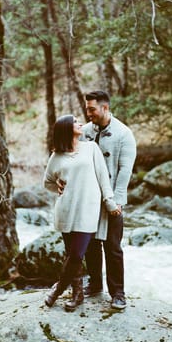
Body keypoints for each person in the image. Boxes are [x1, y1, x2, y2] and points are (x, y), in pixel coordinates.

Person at [43, 115, 120, 311]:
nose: (80, 123)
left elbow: (103, 177)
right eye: (75, 121)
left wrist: (109, 202)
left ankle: (58, 290)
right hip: (66, 209)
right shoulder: (56, 156)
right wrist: (57, 185)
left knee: (77, 254)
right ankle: (77, 295)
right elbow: (47, 182)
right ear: (66, 129)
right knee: (71, 254)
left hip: (88, 209)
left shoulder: (91, 148)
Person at [80, 90, 136, 310]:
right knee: (91, 245)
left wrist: (118, 201)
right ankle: (94, 285)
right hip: (88, 199)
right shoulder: (84, 132)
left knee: (113, 247)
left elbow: (125, 170)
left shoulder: (124, 134)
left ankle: (118, 293)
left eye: (92, 108)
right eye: (87, 108)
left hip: (112, 200)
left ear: (105, 108)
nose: (88, 112)